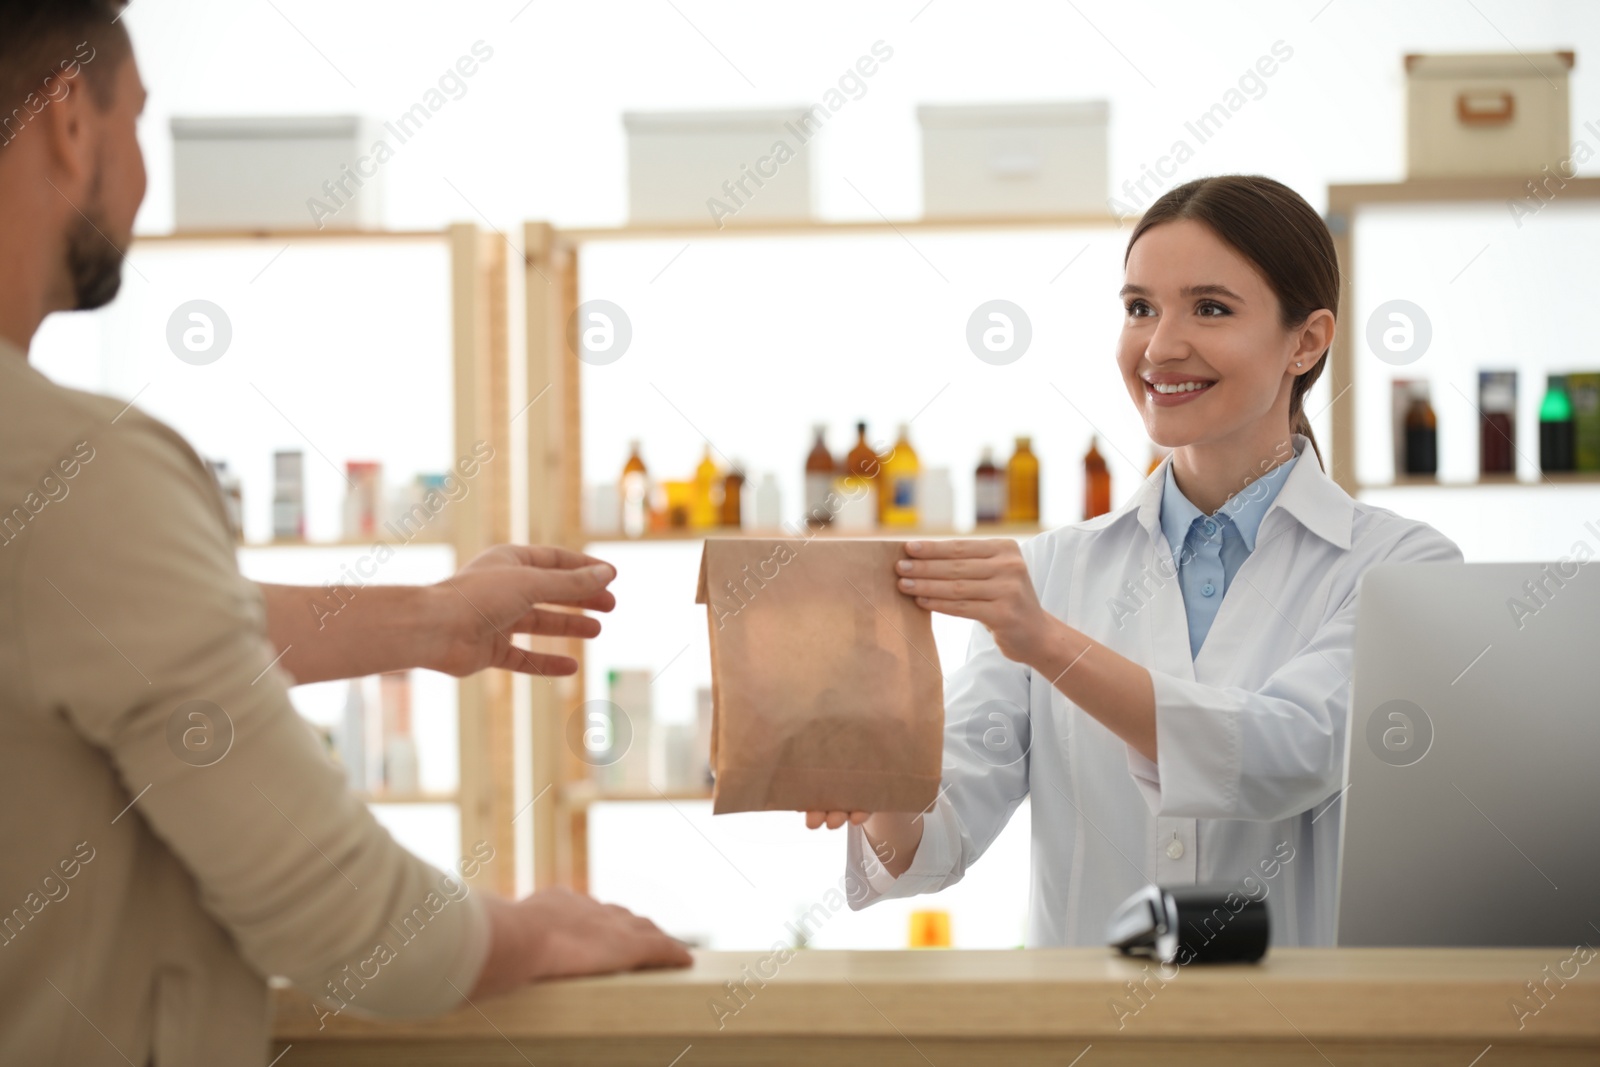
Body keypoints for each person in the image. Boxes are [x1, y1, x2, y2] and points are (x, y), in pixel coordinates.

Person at [0, 5, 688, 1065]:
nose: (142, 181)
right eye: (136, 123)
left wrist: (429, 618)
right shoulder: (79, 470)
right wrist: (542, 925)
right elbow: (354, 926)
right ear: (67, 124)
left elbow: (74, 627)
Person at [807, 175, 1462, 948]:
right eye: (1139, 307)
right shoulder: (1049, 570)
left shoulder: (1401, 568)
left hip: (1300, 1040)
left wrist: (1048, 641)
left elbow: (1288, 751)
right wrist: (874, 773)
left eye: (1210, 308)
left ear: (1307, 340)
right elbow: (933, 843)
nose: (1159, 346)